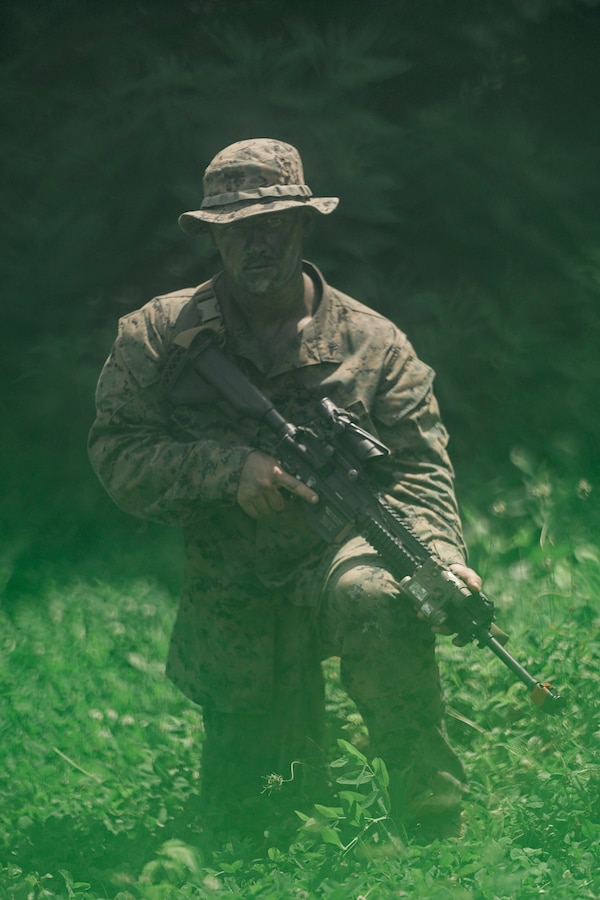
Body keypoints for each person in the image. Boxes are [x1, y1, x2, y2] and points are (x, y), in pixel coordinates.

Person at [88, 138, 482, 841]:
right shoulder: (158, 335)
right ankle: (296, 776)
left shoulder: (376, 344)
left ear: (302, 224)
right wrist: (225, 471)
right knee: (261, 814)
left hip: (342, 552)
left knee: (382, 595)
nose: (254, 244)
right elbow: (116, 453)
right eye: (235, 230)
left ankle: (432, 811)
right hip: (233, 591)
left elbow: (420, 470)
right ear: (214, 237)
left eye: (270, 224)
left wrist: (439, 553)